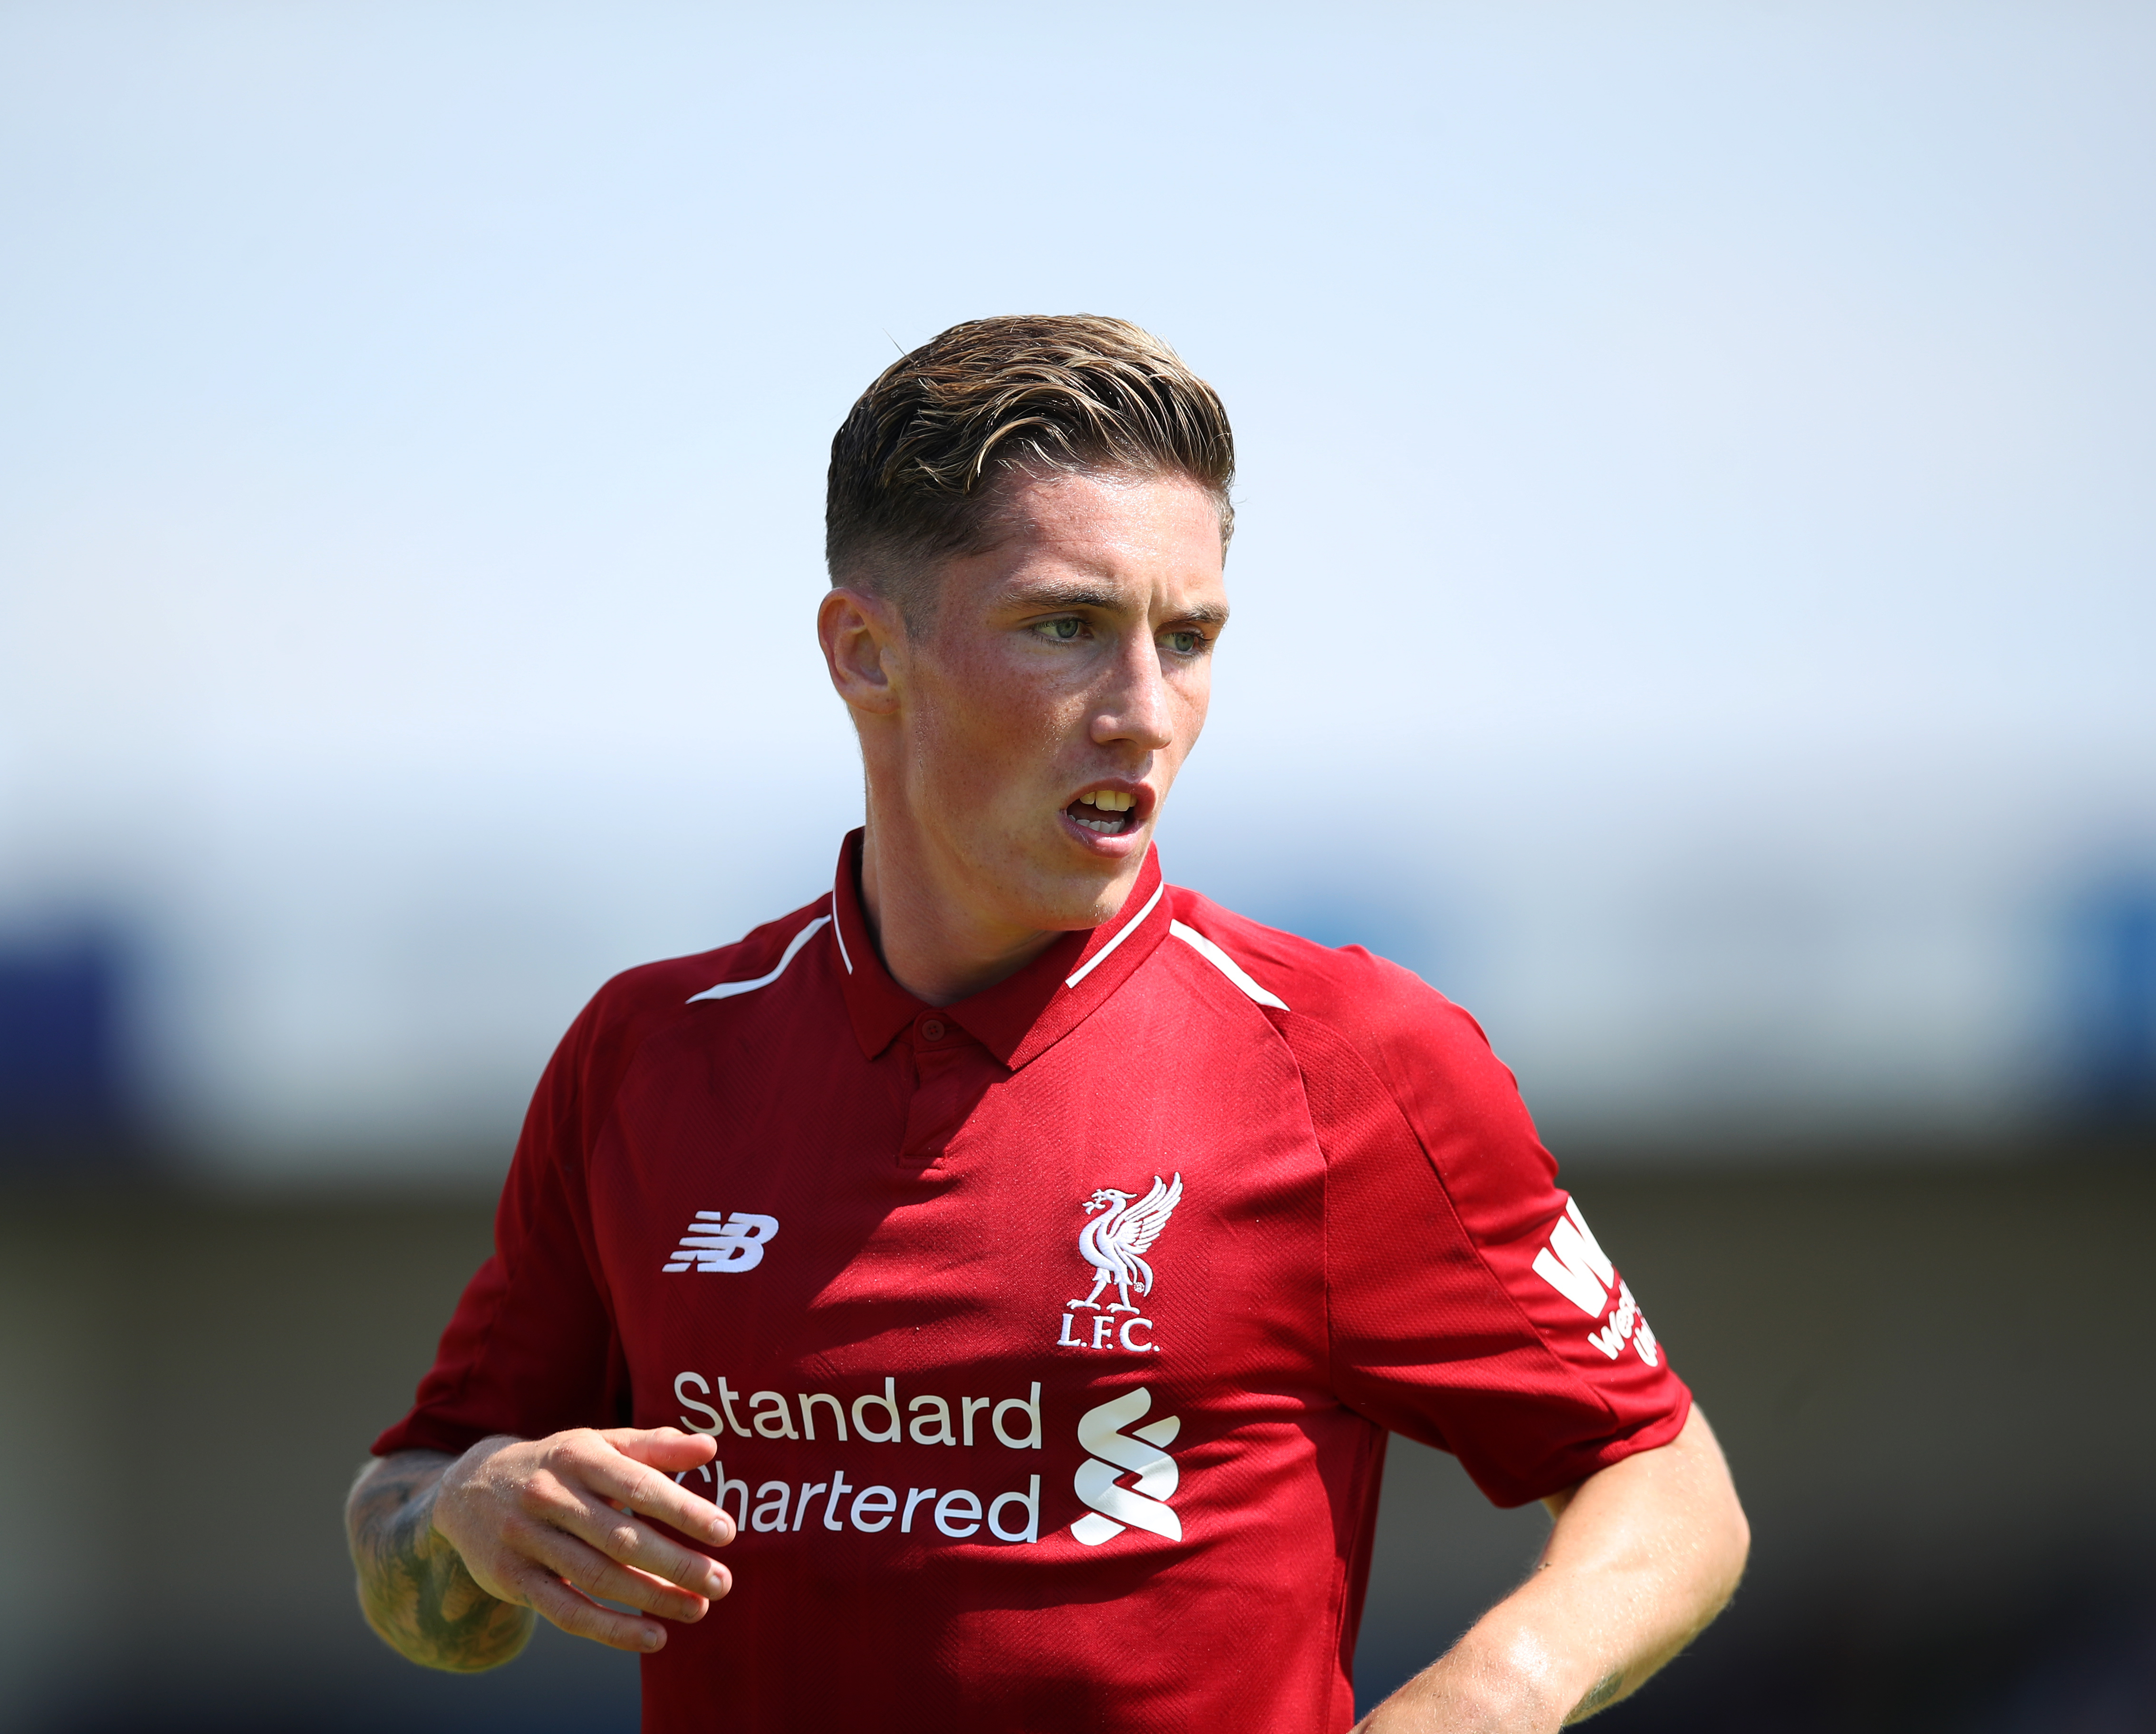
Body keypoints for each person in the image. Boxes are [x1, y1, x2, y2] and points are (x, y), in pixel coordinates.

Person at [345, 314, 1749, 1733]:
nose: (1145, 712)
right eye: (1067, 627)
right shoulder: (648, 1058)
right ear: (865, 655)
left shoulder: (1346, 1058)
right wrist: (469, 1512)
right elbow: (411, 1544)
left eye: (1187, 637)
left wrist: (1489, 1698)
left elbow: (1671, 1484)